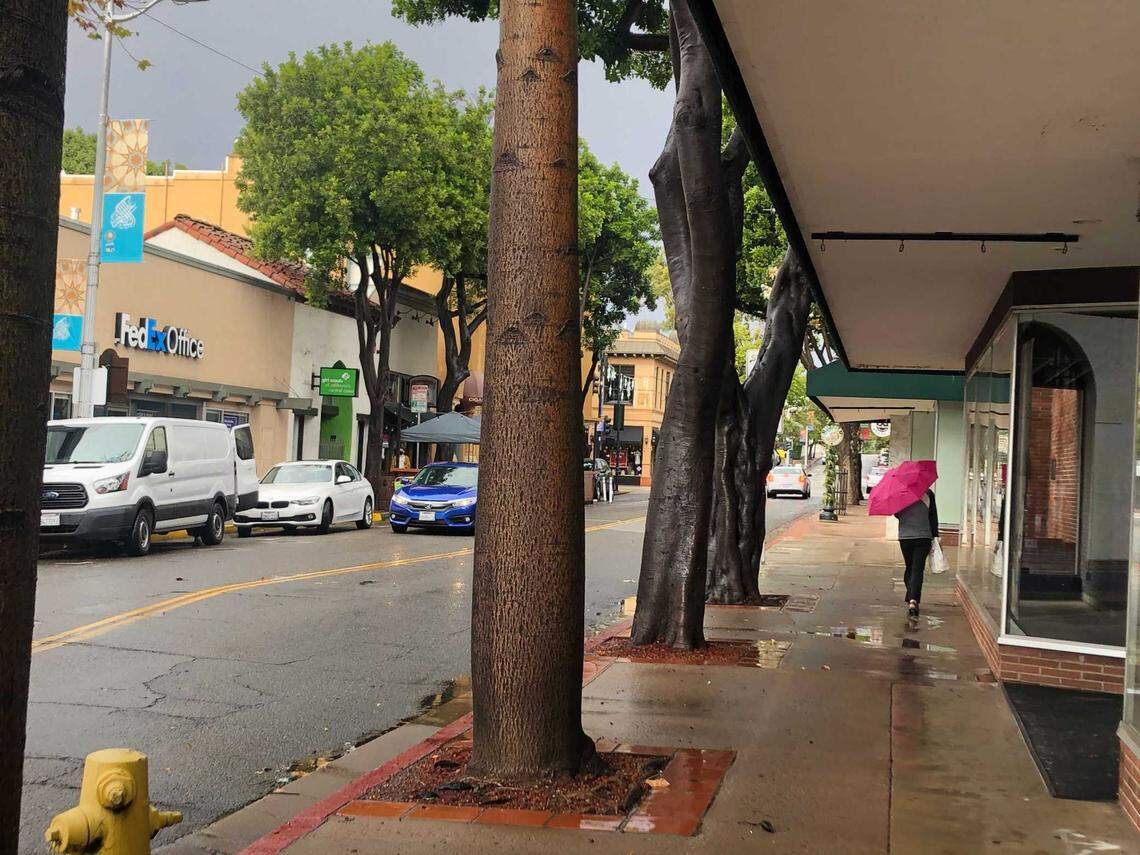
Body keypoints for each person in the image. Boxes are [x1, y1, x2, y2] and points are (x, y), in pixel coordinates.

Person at [895, 488, 938, 617]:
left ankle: (912, 598)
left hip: (905, 537)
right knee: (917, 569)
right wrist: (935, 536)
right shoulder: (928, 494)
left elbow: (897, 514)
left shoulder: (900, 493)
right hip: (924, 536)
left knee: (910, 567)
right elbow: (933, 516)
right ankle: (913, 599)